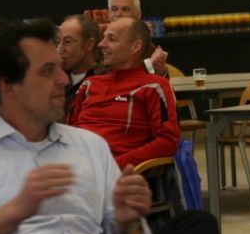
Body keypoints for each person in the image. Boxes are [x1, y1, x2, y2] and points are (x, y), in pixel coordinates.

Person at [0, 19, 218, 234]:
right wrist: (19, 208)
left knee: (198, 225)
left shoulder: (90, 146)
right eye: (47, 71)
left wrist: (126, 225)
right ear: (8, 86)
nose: (63, 80)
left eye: (60, 68)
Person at [68, 17, 180, 169]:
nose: (101, 44)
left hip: (117, 174)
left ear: (136, 46)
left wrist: (113, 167)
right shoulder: (89, 84)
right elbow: (70, 132)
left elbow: (167, 143)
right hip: (75, 167)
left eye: (111, 39)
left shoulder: (154, 87)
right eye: (103, 38)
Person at [108, 0, 168, 75]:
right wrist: (149, 65)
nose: (118, 14)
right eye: (114, 9)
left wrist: (160, 70)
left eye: (125, 9)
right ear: (109, 14)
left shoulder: (146, 46)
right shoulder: (100, 43)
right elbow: (103, 73)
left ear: (138, 15)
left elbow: (156, 78)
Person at [57, 14, 102, 109]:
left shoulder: (105, 79)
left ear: (89, 44)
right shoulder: (54, 78)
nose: (60, 48)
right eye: (58, 41)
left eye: (67, 41)